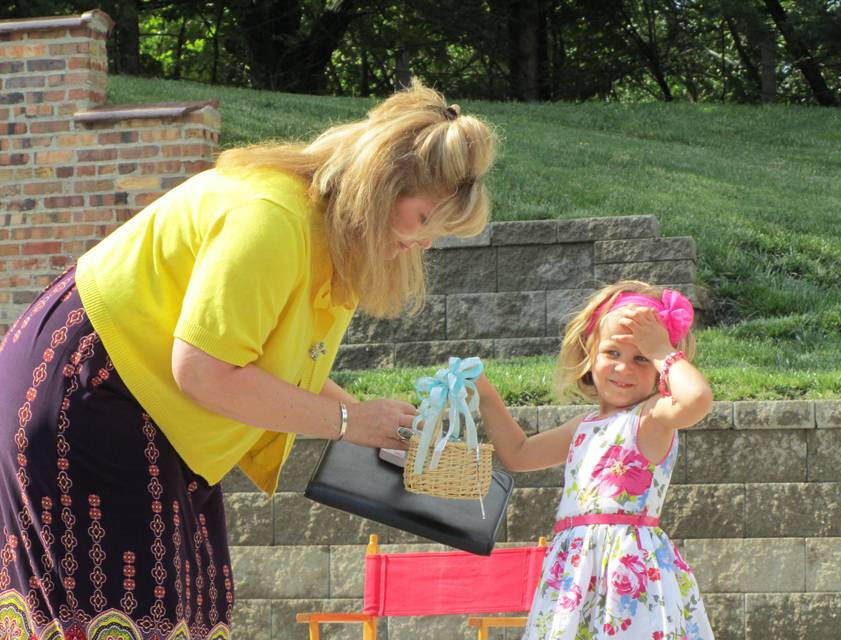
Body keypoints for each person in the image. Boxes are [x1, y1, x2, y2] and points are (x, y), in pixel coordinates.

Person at [0, 80, 494, 639]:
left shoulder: (321, 229)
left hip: (146, 398)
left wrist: (369, 422)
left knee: (186, 610)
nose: (426, 242)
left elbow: (267, 360)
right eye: (425, 218)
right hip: (90, 390)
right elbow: (205, 370)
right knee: (122, 609)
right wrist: (349, 422)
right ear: (382, 184)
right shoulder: (272, 219)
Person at [475, 280, 714, 640]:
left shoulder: (650, 418)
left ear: (658, 369)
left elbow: (696, 398)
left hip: (628, 579)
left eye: (641, 359)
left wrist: (663, 351)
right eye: (613, 353)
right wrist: (483, 391)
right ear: (590, 352)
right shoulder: (584, 427)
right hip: (575, 576)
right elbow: (518, 453)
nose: (624, 368)